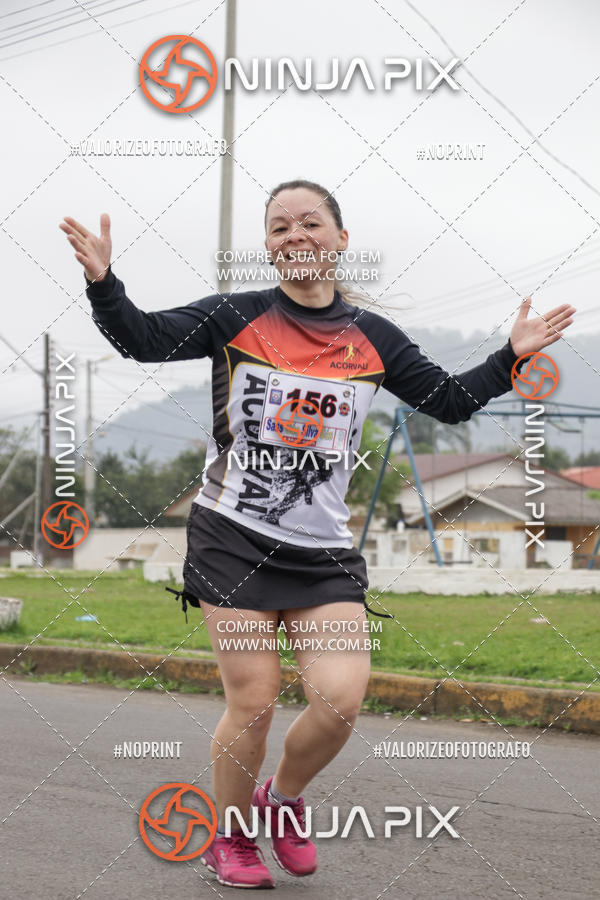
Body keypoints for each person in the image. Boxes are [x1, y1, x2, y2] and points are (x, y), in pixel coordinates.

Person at [60, 180, 575, 889]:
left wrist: (511, 355)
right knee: (254, 701)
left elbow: (449, 401)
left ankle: (281, 799)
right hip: (232, 538)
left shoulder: (372, 338)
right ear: (269, 248)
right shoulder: (234, 317)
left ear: (339, 240)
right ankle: (231, 837)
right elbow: (142, 339)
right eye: (280, 227)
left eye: (309, 223)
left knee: (339, 701)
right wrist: (103, 282)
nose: (295, 235)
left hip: (322, 553)